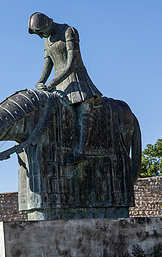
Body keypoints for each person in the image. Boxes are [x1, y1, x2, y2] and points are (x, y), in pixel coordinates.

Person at [28, 12, 102, 164]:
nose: (41, 36)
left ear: (47, 24)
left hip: (77, 80)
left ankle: (79, 151)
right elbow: (48, 65)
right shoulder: (47, 41)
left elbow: (72, 64)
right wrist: (40, 82)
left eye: (41, 32)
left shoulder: (69, 31)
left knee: (83, 112)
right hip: (58, 84)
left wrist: (52, 83)